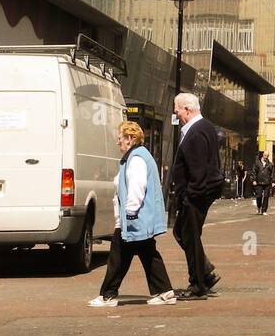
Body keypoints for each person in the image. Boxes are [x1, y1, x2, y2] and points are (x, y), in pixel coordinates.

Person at [90, 121, 176, 307]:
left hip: (133, 219)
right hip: (136, 219)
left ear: (130, 138)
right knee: (146, 254)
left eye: (120, 138)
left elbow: (137, 188)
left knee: (118, 256)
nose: (118, 142)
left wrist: (129, 214)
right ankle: (165, 292)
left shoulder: (136, 159)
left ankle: (108, 295)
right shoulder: (136, 157)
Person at [170, 92, 224, 300]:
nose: (176, 112)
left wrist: (189, 195)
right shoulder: (203, 127)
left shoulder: (197, 131)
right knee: (183, 233)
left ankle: (198, 284)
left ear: (188, 109)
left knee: (188, 234)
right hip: (199, 192)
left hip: (197, 194)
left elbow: (199, 170)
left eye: (178, 109)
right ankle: (204, 273)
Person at [252, 151, 274, 215]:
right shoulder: (257, 163)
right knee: (258, 196)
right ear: (262, 155)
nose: (266, 157)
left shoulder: (270, 164)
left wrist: (273, 182)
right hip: (259, 182)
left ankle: (264, 210)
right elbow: (254, 172)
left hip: (267, 182)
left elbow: (272, 173)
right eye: (265, 155)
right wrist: (254, 180)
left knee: (266, 196)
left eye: (267, 156)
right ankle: (259, 207)